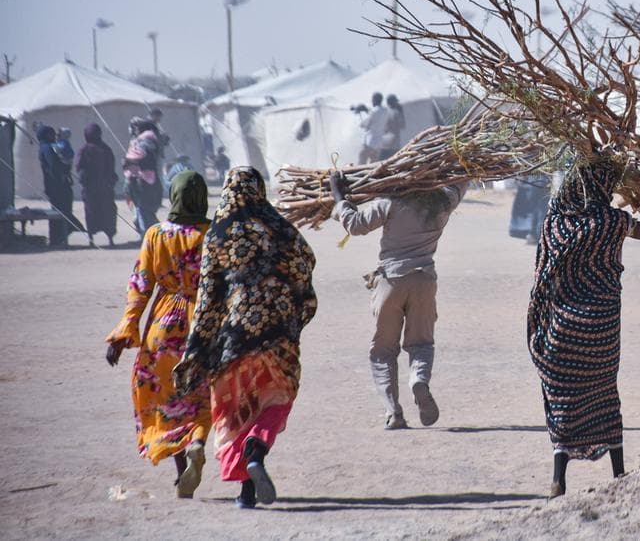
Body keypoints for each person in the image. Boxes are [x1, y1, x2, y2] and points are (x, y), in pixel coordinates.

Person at [173, 167, 317, 509]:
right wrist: (294, 310)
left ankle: (245, 492)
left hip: (234, 337)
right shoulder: (281, 226)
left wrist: (196, 348)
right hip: (278, 332)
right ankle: (258, 449)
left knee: (235, 411)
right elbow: (305, 264)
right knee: (277, 397)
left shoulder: (219, 233)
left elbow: (208, 297)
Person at [527, 159, 640, 498]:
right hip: (601, 328)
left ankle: (558, 479)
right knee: (605, 392)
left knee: (563, 398)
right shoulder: (613, 220)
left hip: (562, 329)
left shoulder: (555, 222)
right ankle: (619, 472)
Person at [329, 170, 468, 430]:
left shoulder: (390, 203)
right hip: (424, 282)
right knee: (421, 344)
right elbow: (462, 180)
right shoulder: (443, 204)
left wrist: (338, 194)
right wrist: (454, 165)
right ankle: (419, 380)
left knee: (383, 351)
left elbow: (356, 225)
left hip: (390, 282)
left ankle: (393, 412)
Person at [105, 170, 213, 498]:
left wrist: (124, 334)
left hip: (164, 328)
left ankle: (182, 471)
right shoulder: (215, 234)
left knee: (166, 399)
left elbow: (140, 286)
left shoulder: (156, 235)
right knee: (203, 397)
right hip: (206, 326)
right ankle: (196, 441)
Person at [75, 123, 118, 247]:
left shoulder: (86, 149)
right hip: (101, 188)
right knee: (104, 212)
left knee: (95, 212)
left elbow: (79, 167)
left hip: (94, 188)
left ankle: (93, 239)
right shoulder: (104, 148)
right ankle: (106, 239)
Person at [36, 125, 80, 247]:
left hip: (55, 185)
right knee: (60, 212)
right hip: (57, 185)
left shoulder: (46, 147)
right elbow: (54, 166)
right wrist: (65, 169)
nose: (54, 136)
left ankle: (59, 237)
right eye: (51, 134)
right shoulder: (46, 148)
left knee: (60, 211)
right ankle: (58, 238)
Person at [124, 119, 164, 237]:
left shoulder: (145, 143)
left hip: (143, 180)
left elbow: (140, 158)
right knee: (145, 210)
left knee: (142, 210)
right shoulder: (151, 141)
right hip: (149, 180)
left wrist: (129, 161)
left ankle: (147, 236)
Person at [509, 173, 552, 244]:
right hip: (540, 179)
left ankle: (534, 234)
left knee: (536, 207)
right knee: (540, 207)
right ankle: (535, 234)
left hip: (535, 179)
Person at [359, 92, 390, 163]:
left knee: (362, 160)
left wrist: (361, 113)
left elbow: (364, 124)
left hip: (370, 142)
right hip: (379, 142)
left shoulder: (374, 111)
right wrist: (367, 110)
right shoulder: (385, 111)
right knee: (373, 163)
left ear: (375, 100)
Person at [381, 94, 407, 159]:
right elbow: (402, 126)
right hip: (393, 142)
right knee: (394, 160)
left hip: (383, 141)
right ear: (392, 102)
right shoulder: (396, 113)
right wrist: (402, 112)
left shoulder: (384, 112)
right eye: (395, 101)